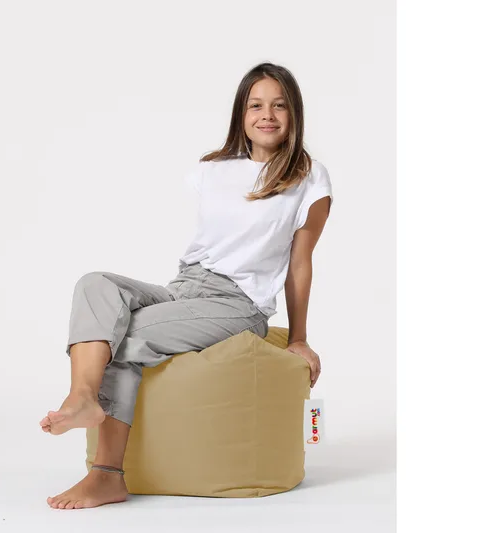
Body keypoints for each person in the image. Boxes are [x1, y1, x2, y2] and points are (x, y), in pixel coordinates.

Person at [40, 62, 333, 510]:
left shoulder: (308, 177)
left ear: (294, 114)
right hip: (185, 286)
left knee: (128, 337)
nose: (267, 115)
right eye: (255, 105)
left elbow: (300, 263)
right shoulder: (213, 169)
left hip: (238, 303)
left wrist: (299, 338)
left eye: (279, 106)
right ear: (241, 114)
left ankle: (106, 475)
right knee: (94, 285)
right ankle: (82, 397)